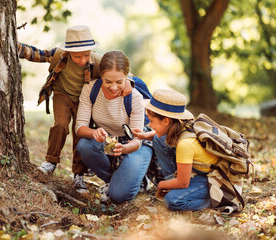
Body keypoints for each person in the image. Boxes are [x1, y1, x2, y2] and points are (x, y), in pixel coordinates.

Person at [17, 25, 132, 193]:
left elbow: (118, 71)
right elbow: (37, 54)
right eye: (77, 56)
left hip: (83, 101)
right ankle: (51, 162)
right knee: (61, 125)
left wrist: (128, 80)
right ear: (69, 51)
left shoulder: (98, 61)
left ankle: (79, 174)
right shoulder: (59, 55)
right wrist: (15, 46)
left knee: (80, 133)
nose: (83, 60)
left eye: (86, 55)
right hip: (62, 94)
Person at [75, 51, 153, 203]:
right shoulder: (91, 89)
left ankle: (138, 179)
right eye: (108, 81)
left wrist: (124, 149)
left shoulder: (134, 96)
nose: (113, 87)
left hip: (135, 144)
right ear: (101, 75)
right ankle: (113, 181)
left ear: (127, 77)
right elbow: (80, 127)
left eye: (119, 82)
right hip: (108, 140)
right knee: (84, 145)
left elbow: (137, 140)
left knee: (119, 197)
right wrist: (94, 132)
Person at [132, 89, 219, 211]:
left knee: (172, 201)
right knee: (158, 139)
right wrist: (146, 135)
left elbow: (184, 183)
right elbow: (160, 135)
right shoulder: (183, 126)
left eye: (152, 121)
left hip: (210, 178)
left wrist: (162, 185)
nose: (150, 125)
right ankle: (172, 184)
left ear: (166, 121)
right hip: (196, 171)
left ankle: (212, 200)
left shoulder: (185, 144)